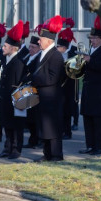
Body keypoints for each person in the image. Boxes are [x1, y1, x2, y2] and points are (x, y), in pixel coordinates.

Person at [31, 16, 67, 162]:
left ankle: (56, 155)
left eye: (40, 39)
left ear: (48, 40)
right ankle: (47, 154)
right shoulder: (42, 54)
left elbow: (53, 78)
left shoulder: (56, 56)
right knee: (44, 128)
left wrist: (35, 79)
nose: (38, 42)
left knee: (53, 128)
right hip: (42, 97)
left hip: (52, 98)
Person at [78, 17, 101, 156]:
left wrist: (90, 60)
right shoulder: (91, 50)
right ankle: (90, 145)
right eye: (91, 38)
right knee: (87, 120)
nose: (92, 40)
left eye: (94, 38)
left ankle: (98, 147)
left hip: (99, 92)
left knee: (98, 121)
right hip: (88, 91)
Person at [0, 21, 28, 160]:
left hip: (14, 99)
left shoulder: (18, 62)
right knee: (6, 124)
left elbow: (18, 82)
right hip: (5, 98)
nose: (3, 48)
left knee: (15, 126)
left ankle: (16, 149)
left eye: (5, 46)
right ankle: (7, 148)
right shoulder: (6, 59)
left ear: (13, 48)